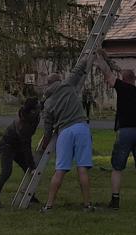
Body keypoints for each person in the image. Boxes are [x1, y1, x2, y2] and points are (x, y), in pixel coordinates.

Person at [94, 52, 136, 211]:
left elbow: (108, 74)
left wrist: (99, 59)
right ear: (134, 78)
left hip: (125, 131)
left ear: (123, 79)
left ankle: (115, 200)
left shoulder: (122, 88)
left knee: (117, 167)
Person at [38, 59, 96, 211]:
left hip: (64, 132)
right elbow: (78, 69)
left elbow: (47, 129)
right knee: (82, 168)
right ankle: (87, 204)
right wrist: (87, 58)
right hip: (81, 127)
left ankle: (49, 205)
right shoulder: (67, 84)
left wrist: (44, 145)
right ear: (59, 80)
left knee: (60, 170)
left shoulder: (47, 104)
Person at [0, 95, 41, 208]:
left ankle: (30, 195)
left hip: (18, 145)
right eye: (37, 107)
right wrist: (32, 166)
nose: (39, 108)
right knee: (6, 172)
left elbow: (44, 105)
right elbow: (26, 147)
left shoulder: (33, 115)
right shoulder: (24, 125)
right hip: (7, 146)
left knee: (27, 168)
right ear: (32, 111)